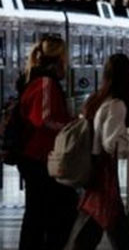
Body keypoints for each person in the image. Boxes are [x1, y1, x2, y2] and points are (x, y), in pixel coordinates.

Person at [65, 54, 129, 250]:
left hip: (95, 167)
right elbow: (110, 143)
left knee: (104, 219)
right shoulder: (116, 105)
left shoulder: (97, 99)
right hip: (105, 170)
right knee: (108, 220)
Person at [17, 35, 77, 250]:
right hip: (38, 157)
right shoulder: (44, 83)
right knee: (61, 207)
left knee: (38, 212)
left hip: (37, 156)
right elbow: (43, 119)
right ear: (59, 59)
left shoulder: (38, 80)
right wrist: (70, 128)